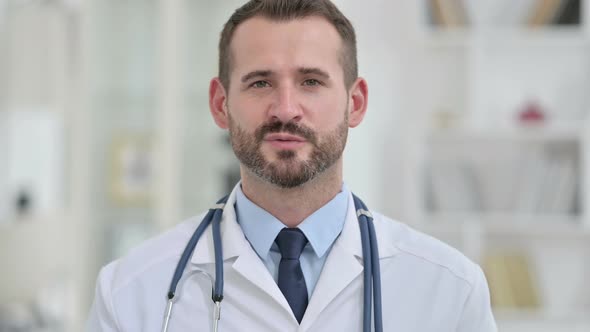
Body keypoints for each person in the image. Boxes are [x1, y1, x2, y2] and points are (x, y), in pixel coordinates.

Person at [87, 0, 497, 331]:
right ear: (219, 103)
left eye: (311, 82)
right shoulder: (130, 292)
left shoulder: (450, 290)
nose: (285, 109)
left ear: (355, 103)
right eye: (260, 82)